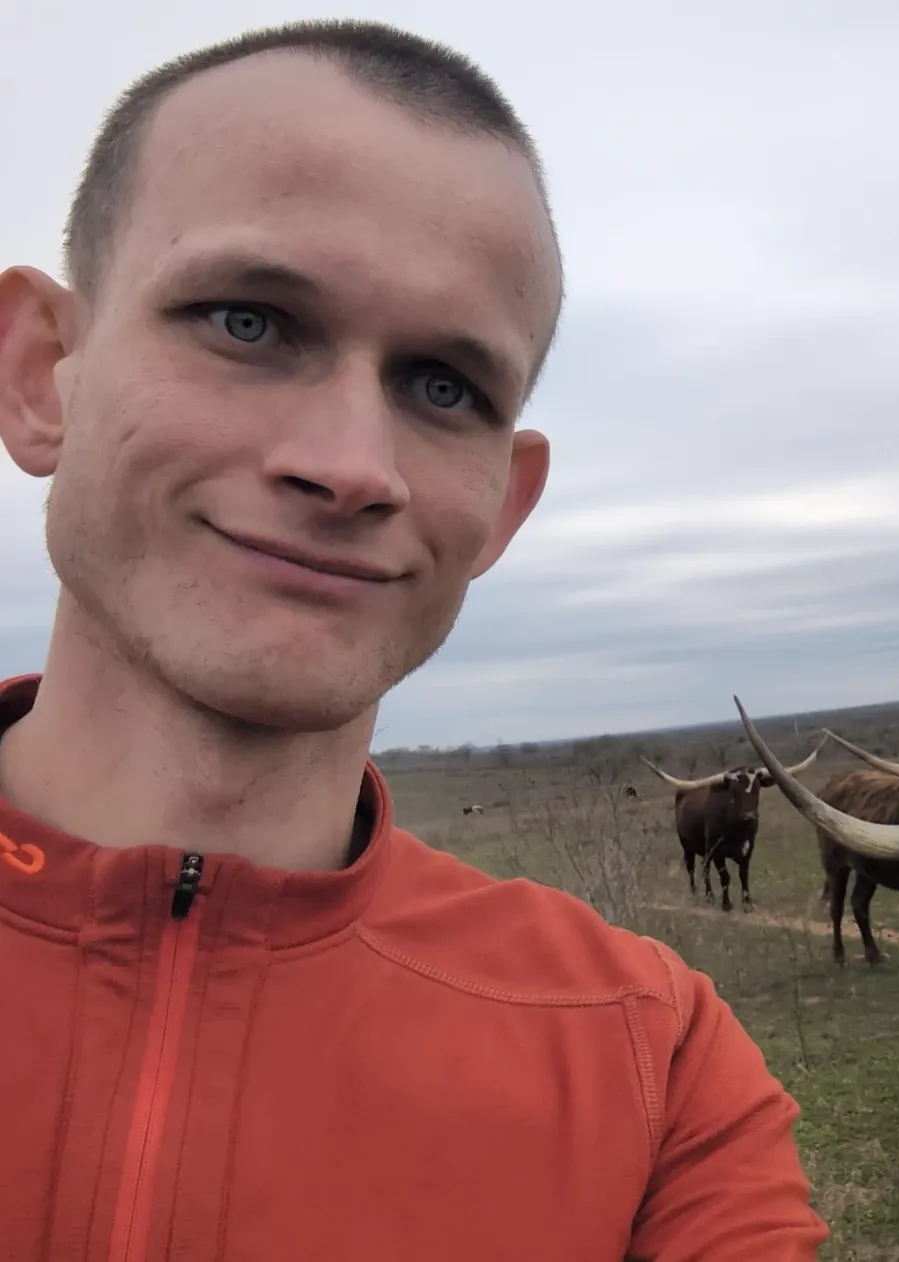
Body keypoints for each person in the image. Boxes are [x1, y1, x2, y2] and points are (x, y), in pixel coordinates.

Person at [0, 19, 828, 1260]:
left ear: (502, 505)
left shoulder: (652, 1067)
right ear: (40, 372)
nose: (349, 466)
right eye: (247, 321)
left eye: (445, 386)